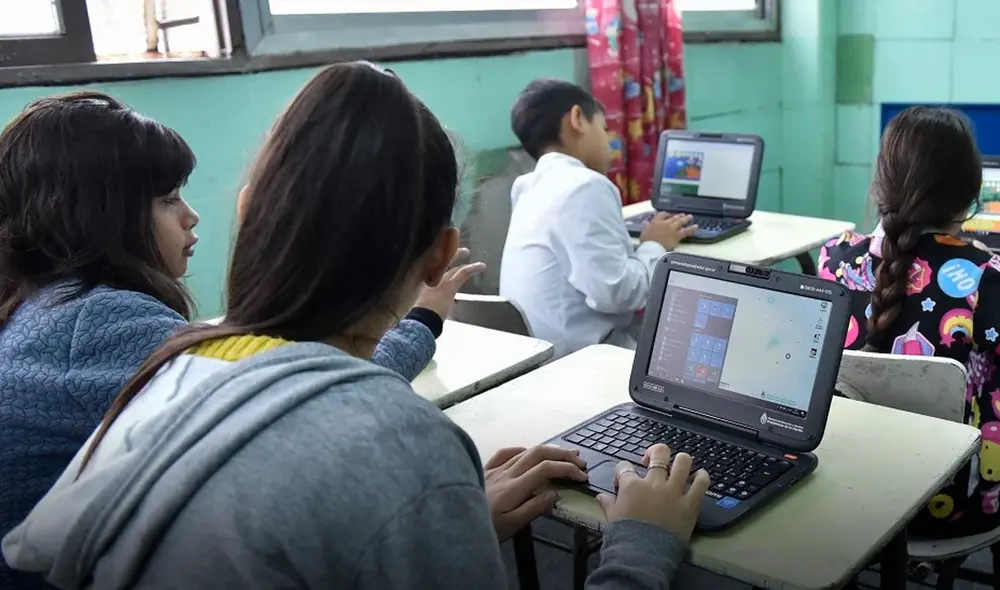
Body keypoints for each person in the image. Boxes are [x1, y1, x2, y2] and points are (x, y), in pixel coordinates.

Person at [3, 62, 709, 589]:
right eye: (167, 200)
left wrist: (438, 517)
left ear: (248, 214)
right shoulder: (403, 443)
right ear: (440, 254)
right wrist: (641, 545)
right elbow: (344, 439)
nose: (187, 215)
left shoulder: (169, 371)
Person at [0, 91, 476, 590]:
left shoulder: (45, 306)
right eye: (166, 199)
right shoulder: (101, 325)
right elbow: (325, 396)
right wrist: (423, 318)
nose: (191, 215)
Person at [819, 106, 1000, 538]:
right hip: (952, 503)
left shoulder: (835, 259)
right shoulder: (986, 276)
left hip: (842, 488)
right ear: (970, 194)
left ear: (881, 183)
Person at [500, 78, 696, 358]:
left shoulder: (526, 187)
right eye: (604, 129)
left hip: (541, 353)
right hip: (585, 361)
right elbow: (618, 294)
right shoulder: (585, 184)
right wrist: (655, 244)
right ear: (578, 119)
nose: (609, 142)